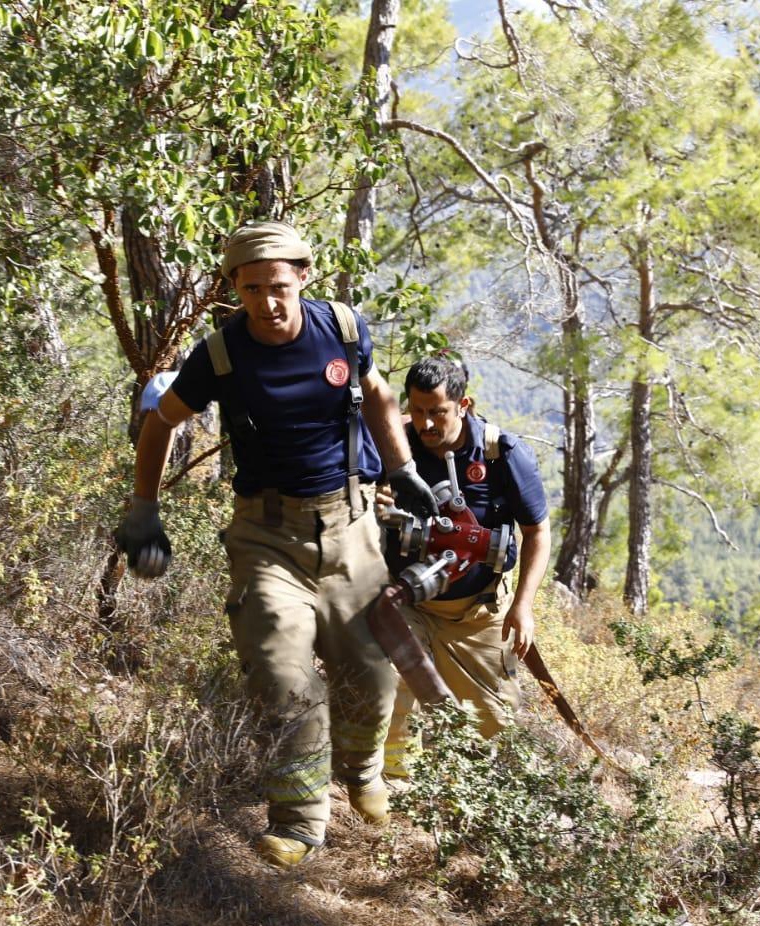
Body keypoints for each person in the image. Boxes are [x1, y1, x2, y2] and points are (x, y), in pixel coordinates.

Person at [114, 220, 438, 869]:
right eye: (252, 287)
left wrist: (401, 469)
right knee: (283, 677)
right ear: (234, 288)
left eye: (279, 285)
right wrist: (143, 507)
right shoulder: (221, 354)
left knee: (372, 674)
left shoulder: (343, 330)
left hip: (351, 531)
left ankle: (363, 771)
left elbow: (374, 394)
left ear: (303, 279)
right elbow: (160, 423)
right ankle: (297, 822)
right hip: (265, 537)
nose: (268, 301)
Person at [380, 356, 551, 788]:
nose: (426, 423)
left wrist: (523, 607)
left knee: (494, 725)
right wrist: (374, 504)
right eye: (417, 410)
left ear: (463, 405)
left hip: (476, 611)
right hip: (406, 601)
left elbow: (537, 532)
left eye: (437, 411)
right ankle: (396, 787)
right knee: (388, 678)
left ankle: (467, 794)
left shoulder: (502, 454)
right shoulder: (395, 446)